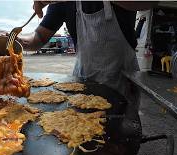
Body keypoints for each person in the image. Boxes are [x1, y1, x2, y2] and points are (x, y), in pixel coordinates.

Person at [16, 1, 157, 137]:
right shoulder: (62, 2)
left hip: (122, 80)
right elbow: (39, 37)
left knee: (120, 140)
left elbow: (149, 2)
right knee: (81, 133)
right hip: (83, 82)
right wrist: (16, 40)